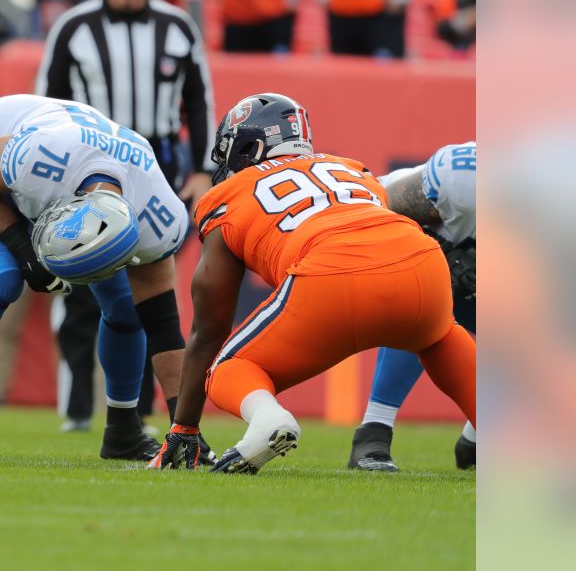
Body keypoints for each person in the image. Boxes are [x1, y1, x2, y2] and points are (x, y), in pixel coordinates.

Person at [149, 93, 476, 473]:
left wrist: (184, 426)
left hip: (329, 272)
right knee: (438, 338)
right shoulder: (351, 168)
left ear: (247, 148)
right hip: (422, 261)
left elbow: (209, 329)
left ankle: (267, 420)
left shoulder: (226, 196)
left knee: (227, 366)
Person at [0, 93, 189, 460]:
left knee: (126, 305)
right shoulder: (37, 159)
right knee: (0, 279)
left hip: (70, 169)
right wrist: (24, 250)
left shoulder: (158, 216)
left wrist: (186, 429)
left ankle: (124, 432)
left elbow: (164, 325)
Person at [37, 0, 215, 436]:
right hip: (88, 168)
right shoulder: (74, 28)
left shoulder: (178, 26)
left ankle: (137, 410)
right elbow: (48, 101)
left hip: (157, 167)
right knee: (77, 286)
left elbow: (200, 100)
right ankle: (76, 405)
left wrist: (202, 167)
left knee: (150, 292)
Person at [350, 141, 476, 472]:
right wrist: (430, 247)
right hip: (434, 258)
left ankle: (475, 441)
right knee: (421, 293)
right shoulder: (463, 179)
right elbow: (375, 205)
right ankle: (374, 431)